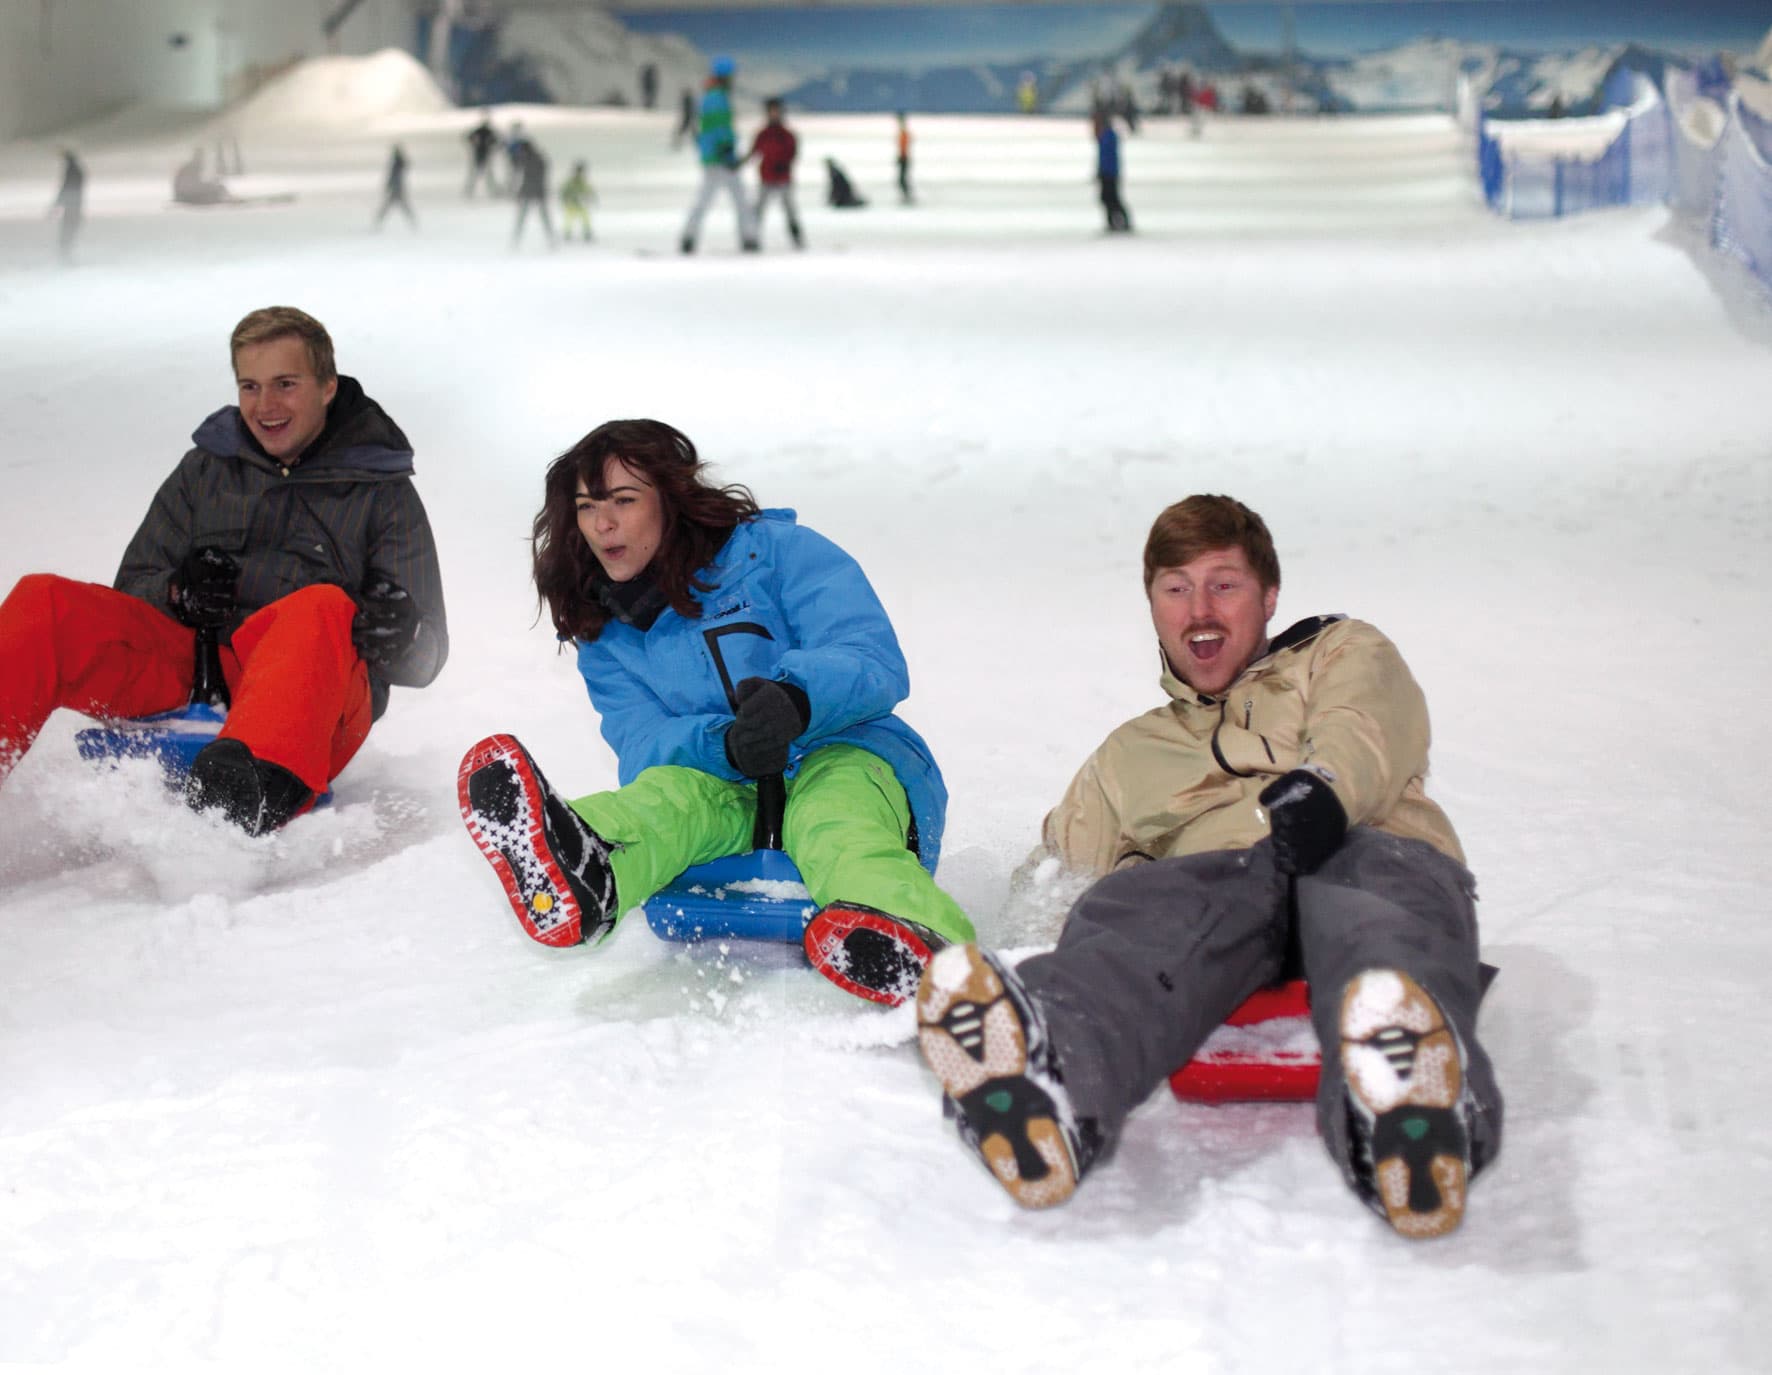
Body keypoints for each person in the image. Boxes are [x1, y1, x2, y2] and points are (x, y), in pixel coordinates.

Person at [914, 495, 1503, 1239]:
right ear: (1153, 606)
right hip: (1221, 885)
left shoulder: (1338, 650)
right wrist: (1006, 957)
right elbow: (1057, 877)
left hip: (1363, 842)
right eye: (1176, 587)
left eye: (1224, 583)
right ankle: (1051, 1062)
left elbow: (1367, 727)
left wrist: (1323, 793)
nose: (1200, 608)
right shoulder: (1129, 757)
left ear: (1269, 596)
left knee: (1380, 916)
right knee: (1137, 910)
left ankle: (1406, 1096)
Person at [457, 419, 975, 1006]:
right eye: (586, 507)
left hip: (847, 754)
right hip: (727, 783)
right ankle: (584, 861)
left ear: (671, 503)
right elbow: (642, 740)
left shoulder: (779, 554)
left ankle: (916, 945)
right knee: (666, 801)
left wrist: (794, 700)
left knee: (835, 823)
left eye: (623, 501)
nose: (602, 525)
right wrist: (722, 745)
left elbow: (870, 655)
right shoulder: (604, 633)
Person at [0, 307, 448, 835]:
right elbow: (131, 590)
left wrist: (401, 635)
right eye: (250, 387)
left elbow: (427, 657)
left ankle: (235, 808)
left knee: (321, 605)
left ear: (327, 386)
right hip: (200, 672)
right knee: (45, 601)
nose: (266, 406)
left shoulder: (382, 492)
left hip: (312, 700)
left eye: (286, 384)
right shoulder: (206, 468)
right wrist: (176, 592)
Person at [680, 56, 758, 254]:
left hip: (713, 158)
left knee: (705, 200)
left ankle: (689, 237)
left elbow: (706, 130)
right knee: (739, 200)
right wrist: (727, 153)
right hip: (721, 159)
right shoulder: (717, 98)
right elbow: (719, 129)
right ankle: (749, 239)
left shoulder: (711, 96)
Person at [744, 98, 803, 249]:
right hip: (767, 178)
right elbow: (753, 153)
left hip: (783, 178)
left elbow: (793, 153)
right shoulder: (763, 134)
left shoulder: (787, 135)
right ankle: (753, 238)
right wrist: (737, 164)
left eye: (776, 110)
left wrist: (784, 166)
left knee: (790, 210)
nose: (774, 114)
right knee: (759, 210)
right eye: (772, 111)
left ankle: (797, 239)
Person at [511, 141, 556, 248]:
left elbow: (529, 177)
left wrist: (522, 191)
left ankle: (517, 239)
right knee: (541, 217)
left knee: (528, 217)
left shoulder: (530, 159)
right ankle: (550, 238)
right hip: (536, 191)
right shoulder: (536, 158)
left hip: (533, 191)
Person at [1093, 112, 1132, 234]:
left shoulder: (1108, 137)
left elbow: (1108, 158)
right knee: (1108, 198)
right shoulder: (1106, 136)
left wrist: (1103, 172)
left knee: (1111, 198)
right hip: (1108, 173)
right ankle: (1113, 221)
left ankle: (1121, 221)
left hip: (1109, 174)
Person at [49, 148, 85, 263]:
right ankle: (67, 253)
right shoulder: (78, 170)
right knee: (70, 228)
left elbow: (66, 188)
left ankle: (65, 253)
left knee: (67, 229)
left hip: (71, 205)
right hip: (76, 204)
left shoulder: (72, 171)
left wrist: (57, 204)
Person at [373, 144, 417, 231]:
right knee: (400, 206)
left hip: (397, 190)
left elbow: (393, 176)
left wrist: (388, 185)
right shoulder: (398, 164)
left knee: (391, 206)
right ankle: (412, 220)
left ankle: (379, 221)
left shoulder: (397, 164)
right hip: (398, 189)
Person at [465, 111, 500, 196]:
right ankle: (470, 191)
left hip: (482, 153)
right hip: (482, 153)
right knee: (482, 173)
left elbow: (495, 140)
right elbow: (469, 137)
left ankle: (471, 191)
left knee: (480, 173)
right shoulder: (485, 131)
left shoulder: (483, 131)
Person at [560, 159, 596, 242]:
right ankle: (568, 232)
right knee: (570, 218)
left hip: (579, 203)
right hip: (572, 203)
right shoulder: (572, 181)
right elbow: (564, 191)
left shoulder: (581, 181)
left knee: (584, 217)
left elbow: (588, 189)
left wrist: (591, 196)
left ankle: (586, 232)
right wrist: (565, 198)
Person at [894, 111, 914, 204]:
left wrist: (902, 157)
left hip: (904, 158)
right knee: (902, 179)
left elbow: (904, 147)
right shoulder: (903, 133)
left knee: (902, 179)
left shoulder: (904, 134)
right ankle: (906, 196)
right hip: (903, 157)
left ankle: (907, 196)